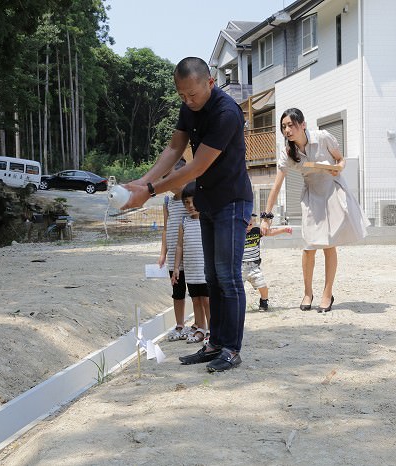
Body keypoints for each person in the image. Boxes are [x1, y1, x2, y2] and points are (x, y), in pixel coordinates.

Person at [124, 57, 253, 372]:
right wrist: (142, 182)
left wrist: (151, 192)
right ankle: (215, 343)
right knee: (211, 277)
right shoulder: (189, 107)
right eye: (182, 96)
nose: (188, 101)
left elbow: (196, 166)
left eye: (192, 94)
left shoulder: (226, 113)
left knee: (228, 276)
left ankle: (231, 348)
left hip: (232, 200)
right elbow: (173, 150)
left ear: (210, 82)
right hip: (207, 199)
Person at [261, 108, 369, 313]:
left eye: (291, 125)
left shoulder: (323, 137)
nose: (287, 130)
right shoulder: (287, 153)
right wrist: (266, 217)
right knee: (309, 246)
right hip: (311, 194)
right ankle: (308, 292)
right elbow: (276, 185)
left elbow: (340, 160)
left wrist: (338, 168)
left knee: (329, 244)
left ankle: (327, 293)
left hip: (331, 190)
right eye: (283, 127)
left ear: (302, 125)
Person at [158, 159, 194, 341]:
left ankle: (200, 324)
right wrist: (163, 252)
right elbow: (165, 228)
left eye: (171, 179)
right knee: (177, 290)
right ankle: (180, 324)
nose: (169, 184)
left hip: (192, 254)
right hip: (173, 255)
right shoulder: (167, 202)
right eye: (166, 180)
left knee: (197, 291)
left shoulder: (192, 200)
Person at [172, 182, 210, 343]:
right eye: (186, 202)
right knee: (195, 300)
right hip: (190, 270)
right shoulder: (184, 222)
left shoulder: (208, 220)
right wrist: (175, 268)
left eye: (193, 201)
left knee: (207, 301)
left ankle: (212, 330)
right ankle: (200, 328)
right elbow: (179, 246)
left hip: (205, 270)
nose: (190, 205)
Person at [243, 213, 292, 311]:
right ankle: (238, 306)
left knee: (263, 286)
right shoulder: (236, 233)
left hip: (254, 267)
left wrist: (283, 230)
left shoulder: (256, 231)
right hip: (239, 267)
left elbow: (270, 232)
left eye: (251, 220)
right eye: (246, 220)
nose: (249, 222)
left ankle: (264, 301)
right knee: (237, 289)